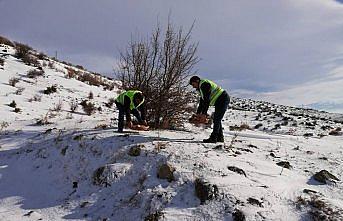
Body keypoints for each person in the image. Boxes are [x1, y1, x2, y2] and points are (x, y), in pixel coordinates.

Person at [189, 76, 230, 143]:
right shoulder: (201, 89)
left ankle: (213, 138)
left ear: (197, 81)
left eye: (193, 84)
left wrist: (204, 114)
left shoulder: (204, 84)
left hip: (223, 98)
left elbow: (207, 100)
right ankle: (220, 138)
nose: (193, 87)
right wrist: (198, 113)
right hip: (219, 100)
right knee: (217, 119)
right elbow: (202, 102)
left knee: (217, 119)